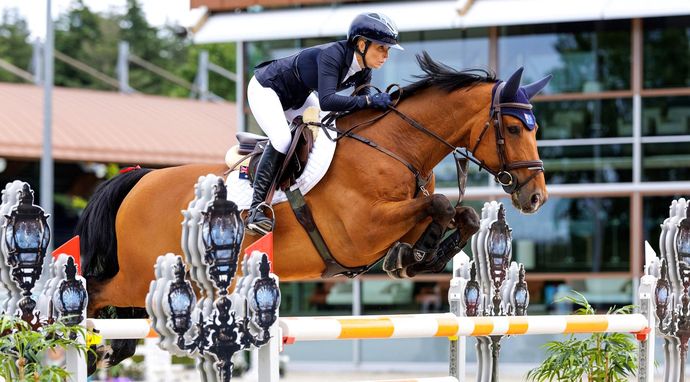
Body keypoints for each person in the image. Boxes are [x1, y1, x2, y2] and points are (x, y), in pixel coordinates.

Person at [245, 12, 404, 235]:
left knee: (327, 131)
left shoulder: (363, 69)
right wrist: (369, 100)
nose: (385, 55)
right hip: (267, 89)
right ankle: (256, 210)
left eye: (387, 50)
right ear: (361, 44)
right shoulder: (333, 55)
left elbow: (361, 109)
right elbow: (329, 100)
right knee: (282, 139)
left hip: (297, 98)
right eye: (381, 48)